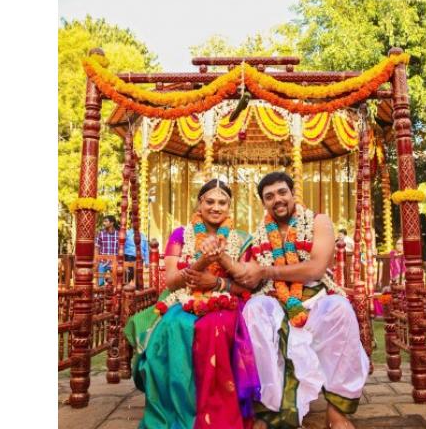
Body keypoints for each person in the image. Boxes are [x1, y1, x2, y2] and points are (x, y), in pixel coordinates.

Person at [232, 172, 369, 429]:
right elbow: (248, 276)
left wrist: (266, 271)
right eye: (269, 196)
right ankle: (268, 411)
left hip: (316, 297)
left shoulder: (318, 221)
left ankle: (337, 411)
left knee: (340, 309)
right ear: (264, 203)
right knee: (254, 310)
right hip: (275, 298)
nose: (277, 199)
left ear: (293, 193)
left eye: (282, 192)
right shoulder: (259, 235)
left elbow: (315, 269)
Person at [124, 179, 261, 429]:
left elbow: (246, 285)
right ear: (200, 203)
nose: (216, 207)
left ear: (229, 207)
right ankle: (179, 407)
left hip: (227, 300)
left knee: (215, 327)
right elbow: (172, 281)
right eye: (210, 201)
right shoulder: (181, 234)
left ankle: (216, 411)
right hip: (182, 297)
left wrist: (218, 279)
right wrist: (202, 261)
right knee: (173, 326)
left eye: (222, 203)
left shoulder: (241, 238)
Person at [94, 215, 119, 286]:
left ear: (112, 223)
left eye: (106, 221)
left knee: (116, 284)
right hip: (103, 262)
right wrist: (96, 261)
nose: (104, 223)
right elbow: (97, 248)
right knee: (100, 283)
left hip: (115, 263)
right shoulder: (101, 234)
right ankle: (100, 290)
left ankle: (113, 290)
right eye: (104, 221)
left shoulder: (119, 234)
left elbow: (122, 248)